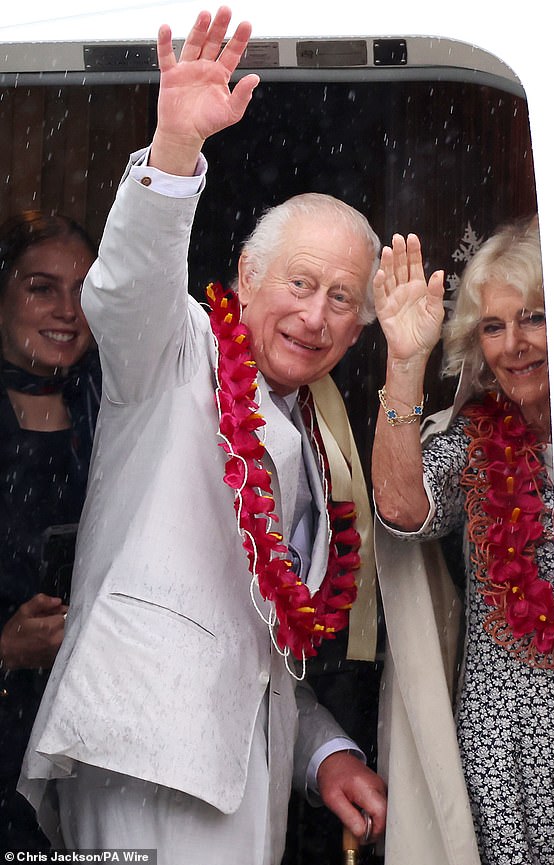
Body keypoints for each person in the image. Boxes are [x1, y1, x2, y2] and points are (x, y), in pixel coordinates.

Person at [19, 9, 386, 864]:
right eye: (299, 281)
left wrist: (323, 752)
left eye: (342, 297)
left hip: (243, 781)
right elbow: (125, 287)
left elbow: (256, 638)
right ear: (247, 279)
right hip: (144, 756)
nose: (315, 313)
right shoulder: (178, 347)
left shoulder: (321, 433)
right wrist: (175, 148)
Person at [371, 220, 554, 865]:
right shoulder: (477, 444)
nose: (514, 346)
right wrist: (403, 365)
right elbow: (401, 508)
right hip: (503, 752)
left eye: (532, 317)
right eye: (493, 326)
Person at [0, 210, 99, 851]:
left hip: (85, 723)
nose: (67, 310)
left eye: (83, 292)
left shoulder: (113, 408)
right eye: (42, 288)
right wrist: (5, 648)